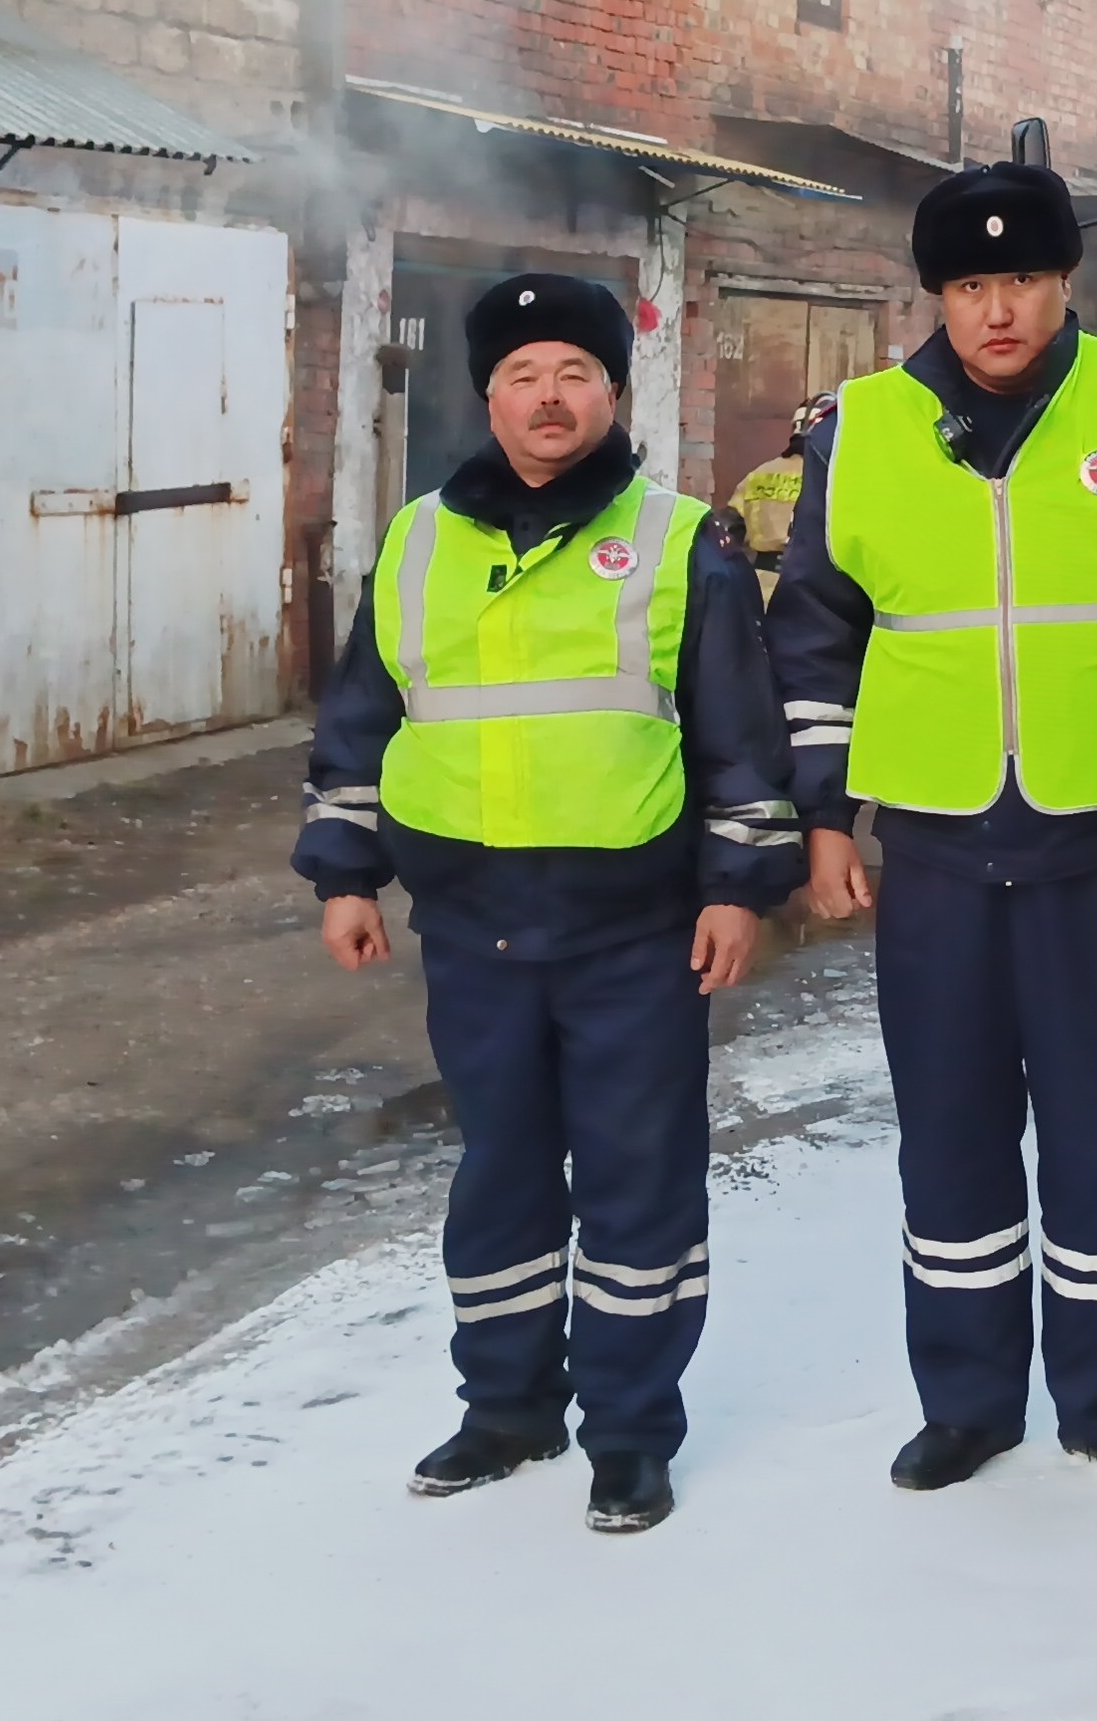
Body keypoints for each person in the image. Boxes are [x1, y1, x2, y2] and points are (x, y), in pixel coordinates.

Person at [767, 160, 1097, 1502]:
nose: (996, 310)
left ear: (1063, 282)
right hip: (941, 854)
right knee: (946, 1133)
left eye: (1020, 280)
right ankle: (965, 1401)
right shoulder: (865, 433)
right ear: (938, 297)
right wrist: (825, 823)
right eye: (967, 285)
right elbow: (815, 641)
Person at [294, 273, 802, 1536]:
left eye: (574, 371)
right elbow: (363, 717)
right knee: (501, 1177)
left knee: (638, 1186)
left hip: (632, 929)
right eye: (522, 374)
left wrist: (741, 887)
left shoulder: (684, 540)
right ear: (490, 397)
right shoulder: (418, 540)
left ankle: (628, 1435)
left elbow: (743, 737)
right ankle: (507, 1408)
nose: (548, 395)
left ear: (614, 393)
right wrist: (347, 872)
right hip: (471, 925)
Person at [725, 393, 833, 599]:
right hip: (812, 591)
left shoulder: (758, 475)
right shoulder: (832, 478)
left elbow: (729, 531)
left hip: (759, 588)